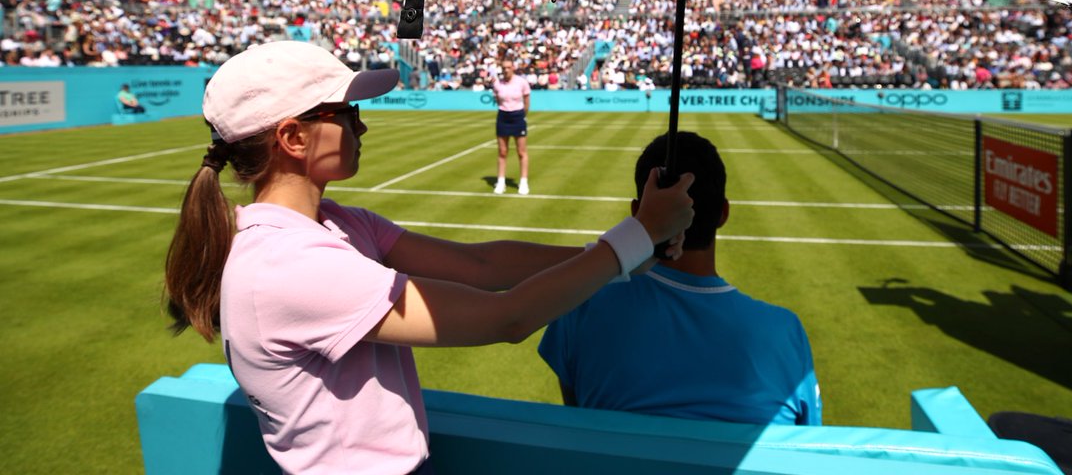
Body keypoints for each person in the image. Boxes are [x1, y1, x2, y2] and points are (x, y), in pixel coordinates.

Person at [163, 40, 694, 475]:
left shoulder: (340, 223)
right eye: (346, 113)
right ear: (293, 137)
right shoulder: (290, 265)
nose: (361, 126)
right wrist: (635, 236)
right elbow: (504, 317)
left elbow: (484, 266)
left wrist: (630, 256)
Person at [538, 131, 821, 427]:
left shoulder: (579, 302)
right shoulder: (785, 332)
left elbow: (578, 415)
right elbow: (809, 445)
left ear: (638, 213)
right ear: (723, 213)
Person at [491, 58, 531, 194]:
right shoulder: (497, 84)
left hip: (518, 116)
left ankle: (523, 182)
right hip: (503, 116)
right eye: (504, 68)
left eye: (508, 67)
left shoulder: (522, 82)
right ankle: (501, 182)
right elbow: (497, 100)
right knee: (502, 151)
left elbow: (526, 102)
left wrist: (522, 115)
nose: (506, 70)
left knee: (521, 151)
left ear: (513, 68)